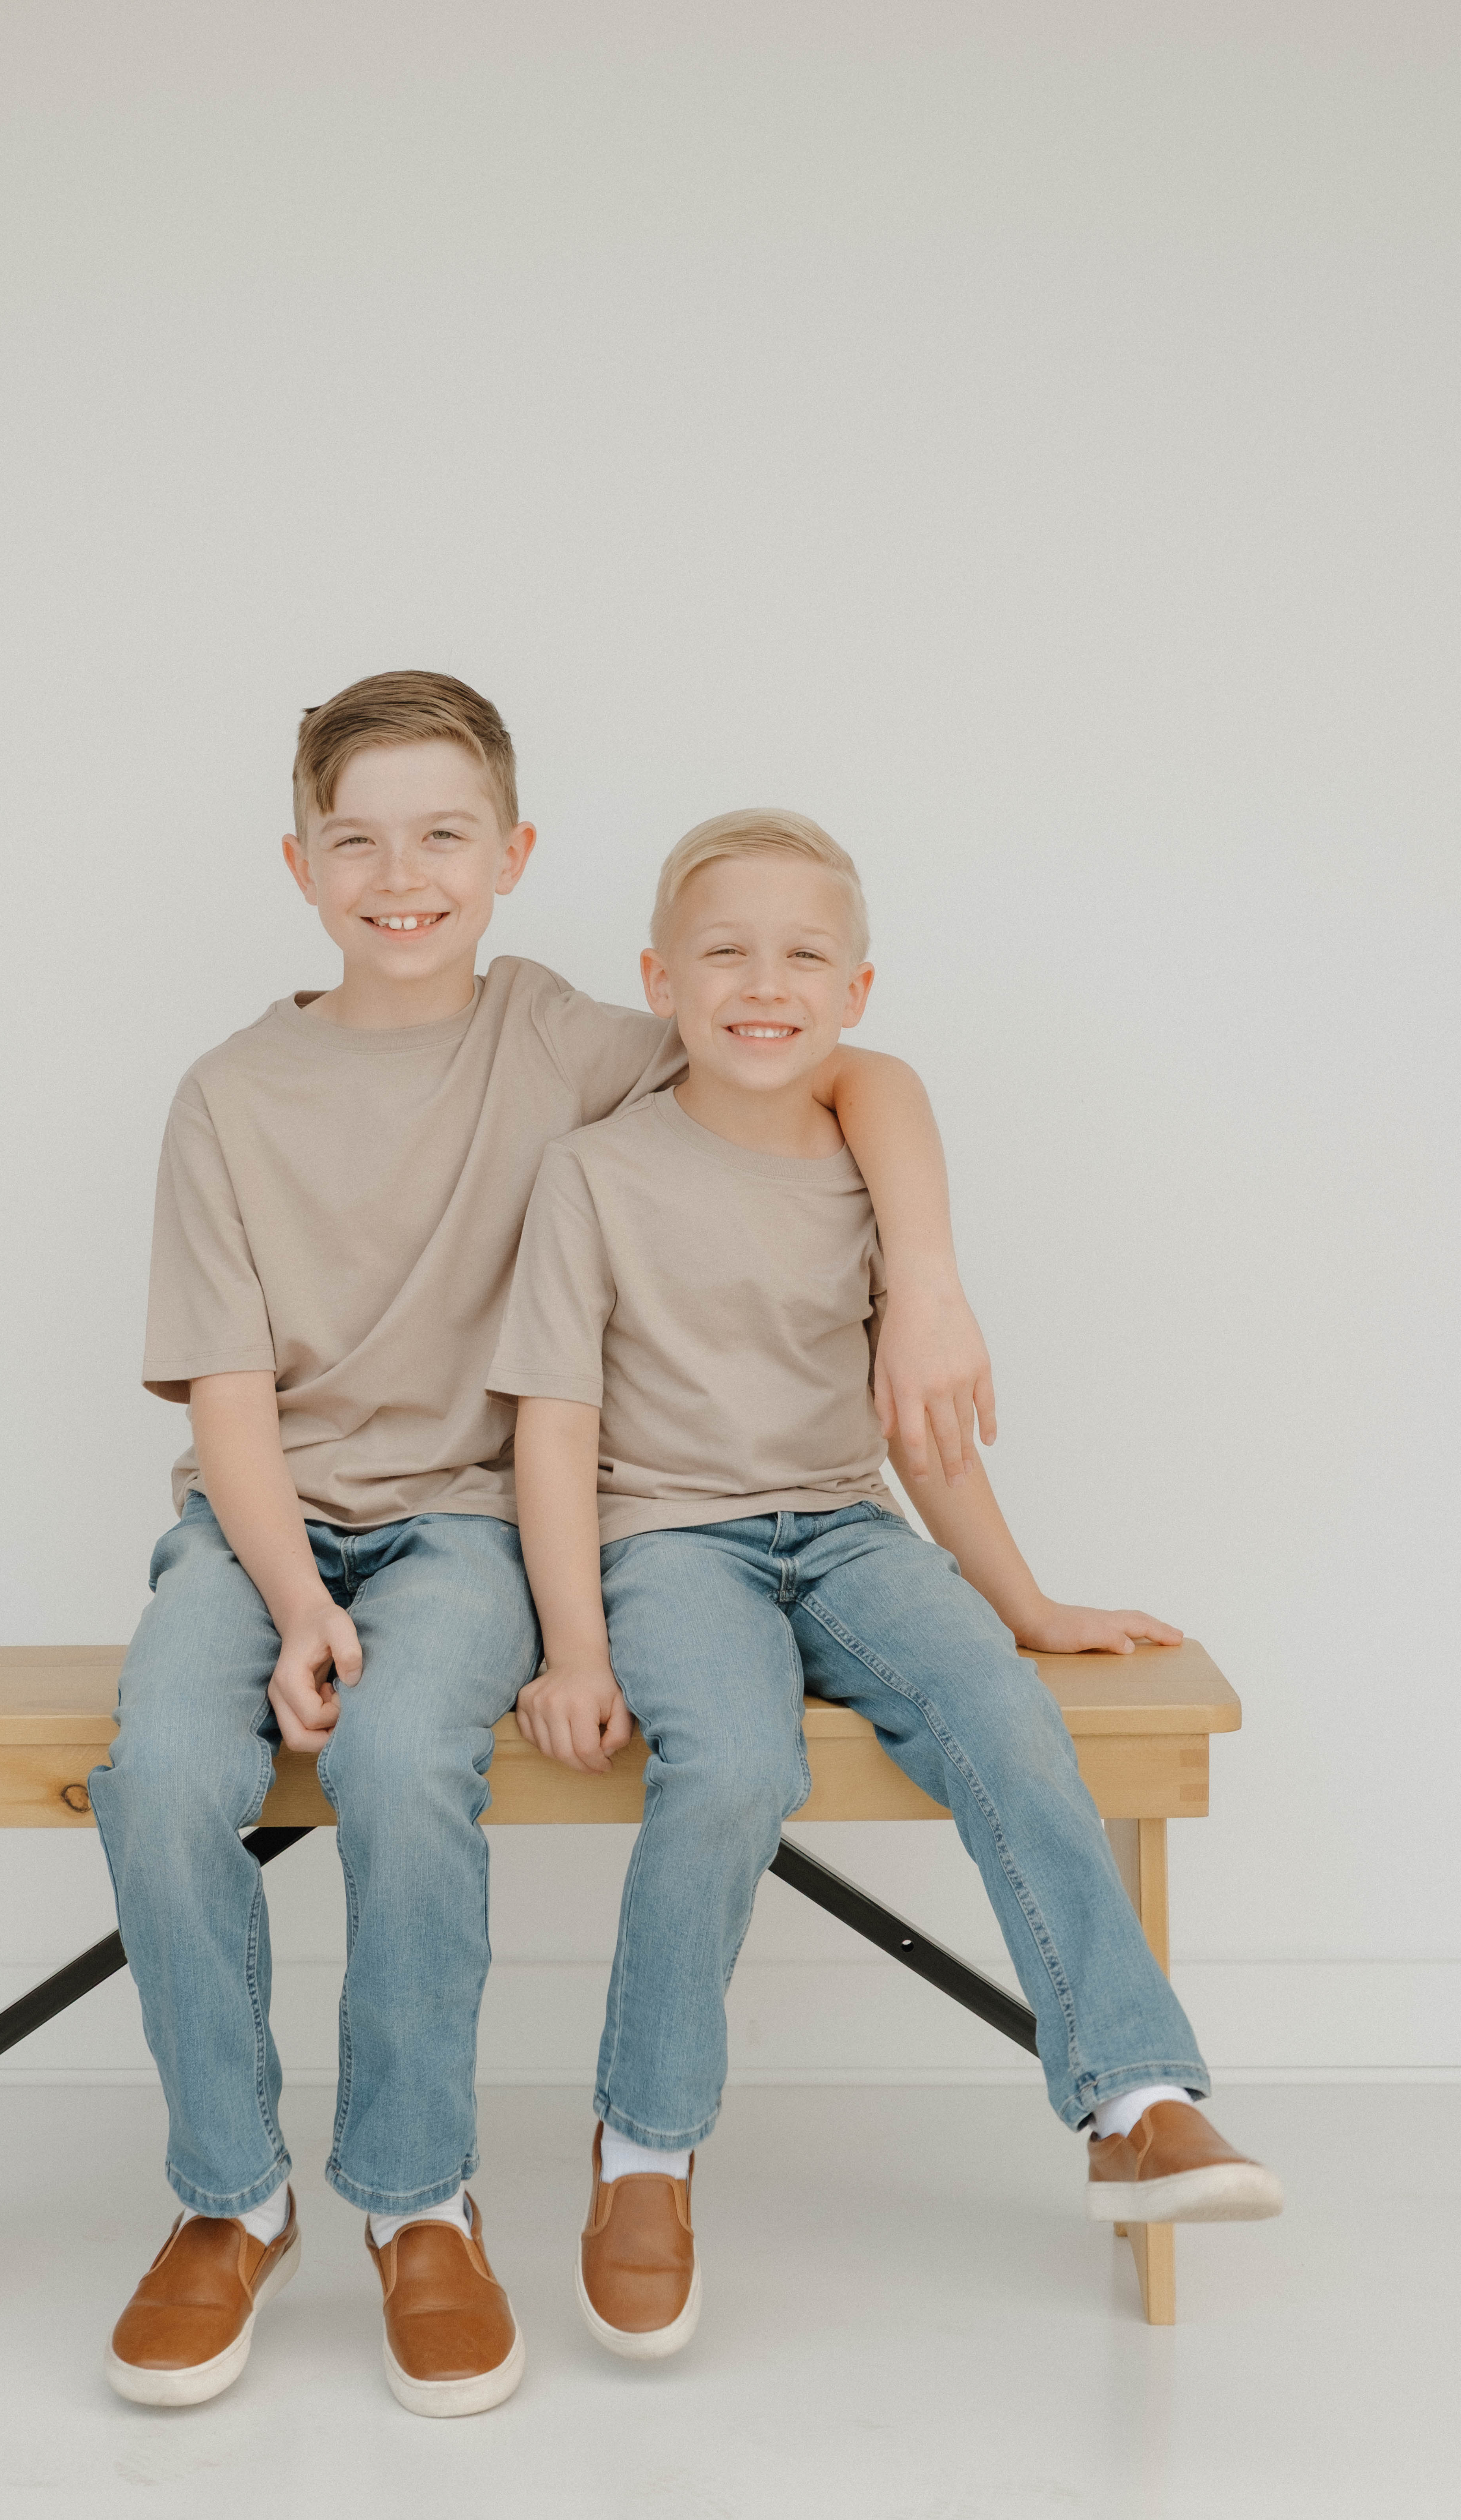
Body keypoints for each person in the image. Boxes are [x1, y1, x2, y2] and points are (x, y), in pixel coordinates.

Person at [89, 681, 993, 2415]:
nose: (401, 875)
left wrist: (932, 1280)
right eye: (357, 838)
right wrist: (288, 1603)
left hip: (472, 1526)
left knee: (413, 1763)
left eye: (444, 835)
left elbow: (850, 1063)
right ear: (300, 863)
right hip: (260, 1527)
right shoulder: (227, 1094)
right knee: (155, 1775)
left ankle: (419, 2201)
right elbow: (226, 1390)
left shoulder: (570, 1037)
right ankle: (231, 2201)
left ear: (512, 858)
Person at [489, 808, 1283, 2360]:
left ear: (860, 991)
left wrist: (1031, 1607)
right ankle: (644, 2148)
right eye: (724, 951)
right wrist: (574, 1645)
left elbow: (927, 1434)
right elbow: (553, 1430)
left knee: (995, 1701)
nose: (762, 983)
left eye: (804, 955)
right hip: (668, 1541)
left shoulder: (870, 1165)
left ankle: (1137, 2101)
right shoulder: (593, 1176)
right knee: (729, 1765)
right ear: (661, 977)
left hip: (845, 1530)